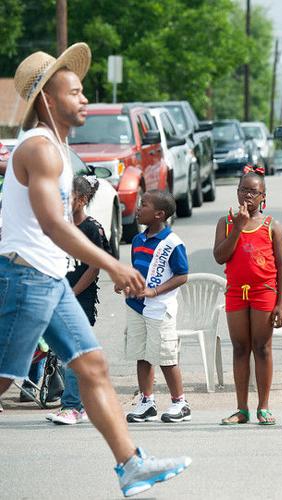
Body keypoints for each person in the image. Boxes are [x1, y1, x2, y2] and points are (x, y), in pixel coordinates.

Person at [0, 43, 190, 496]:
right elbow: (51, 223)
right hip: (26, 277)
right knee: (6, 378)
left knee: (93, 365)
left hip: (48, 278)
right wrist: (112, 265)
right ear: (47, 99)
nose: (84, 99)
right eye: (76, 92)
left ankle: (131, 466)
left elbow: (61, 224)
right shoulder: (41, 150)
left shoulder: (60, 150)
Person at [214, 169, 282, 425]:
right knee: (239, 348)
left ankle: (264, 407)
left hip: (263, 292)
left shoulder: (272, 226)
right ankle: (241, 408)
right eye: (243, 190)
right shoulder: (226, 222)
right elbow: (220, 256)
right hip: (236, 292)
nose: (248, 195)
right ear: (237, 193)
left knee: (262, 348)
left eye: (253, 191)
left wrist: (281, 302)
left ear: (263, 197)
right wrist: (237, 228)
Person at [47, 175, 112, 425]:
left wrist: (72, 294)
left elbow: (94, 267)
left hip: (79, 299)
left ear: (82, 200)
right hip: (56, 296)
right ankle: (80, 404)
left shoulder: (91, 228)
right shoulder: (58, 224)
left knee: (74, 351)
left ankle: (72, 406)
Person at [121, 190, 190, 424]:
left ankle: (180, 402)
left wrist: (154, 291)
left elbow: (182, 275)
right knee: (142, 355)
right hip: (136, 307)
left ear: (159, 214)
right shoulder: (138, 240)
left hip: (159, 308)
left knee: (166, 356)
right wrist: (127, 284)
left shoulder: (172, 243)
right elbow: (137, 270)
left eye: (144, 205)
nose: (139, 209)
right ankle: (147, 401)